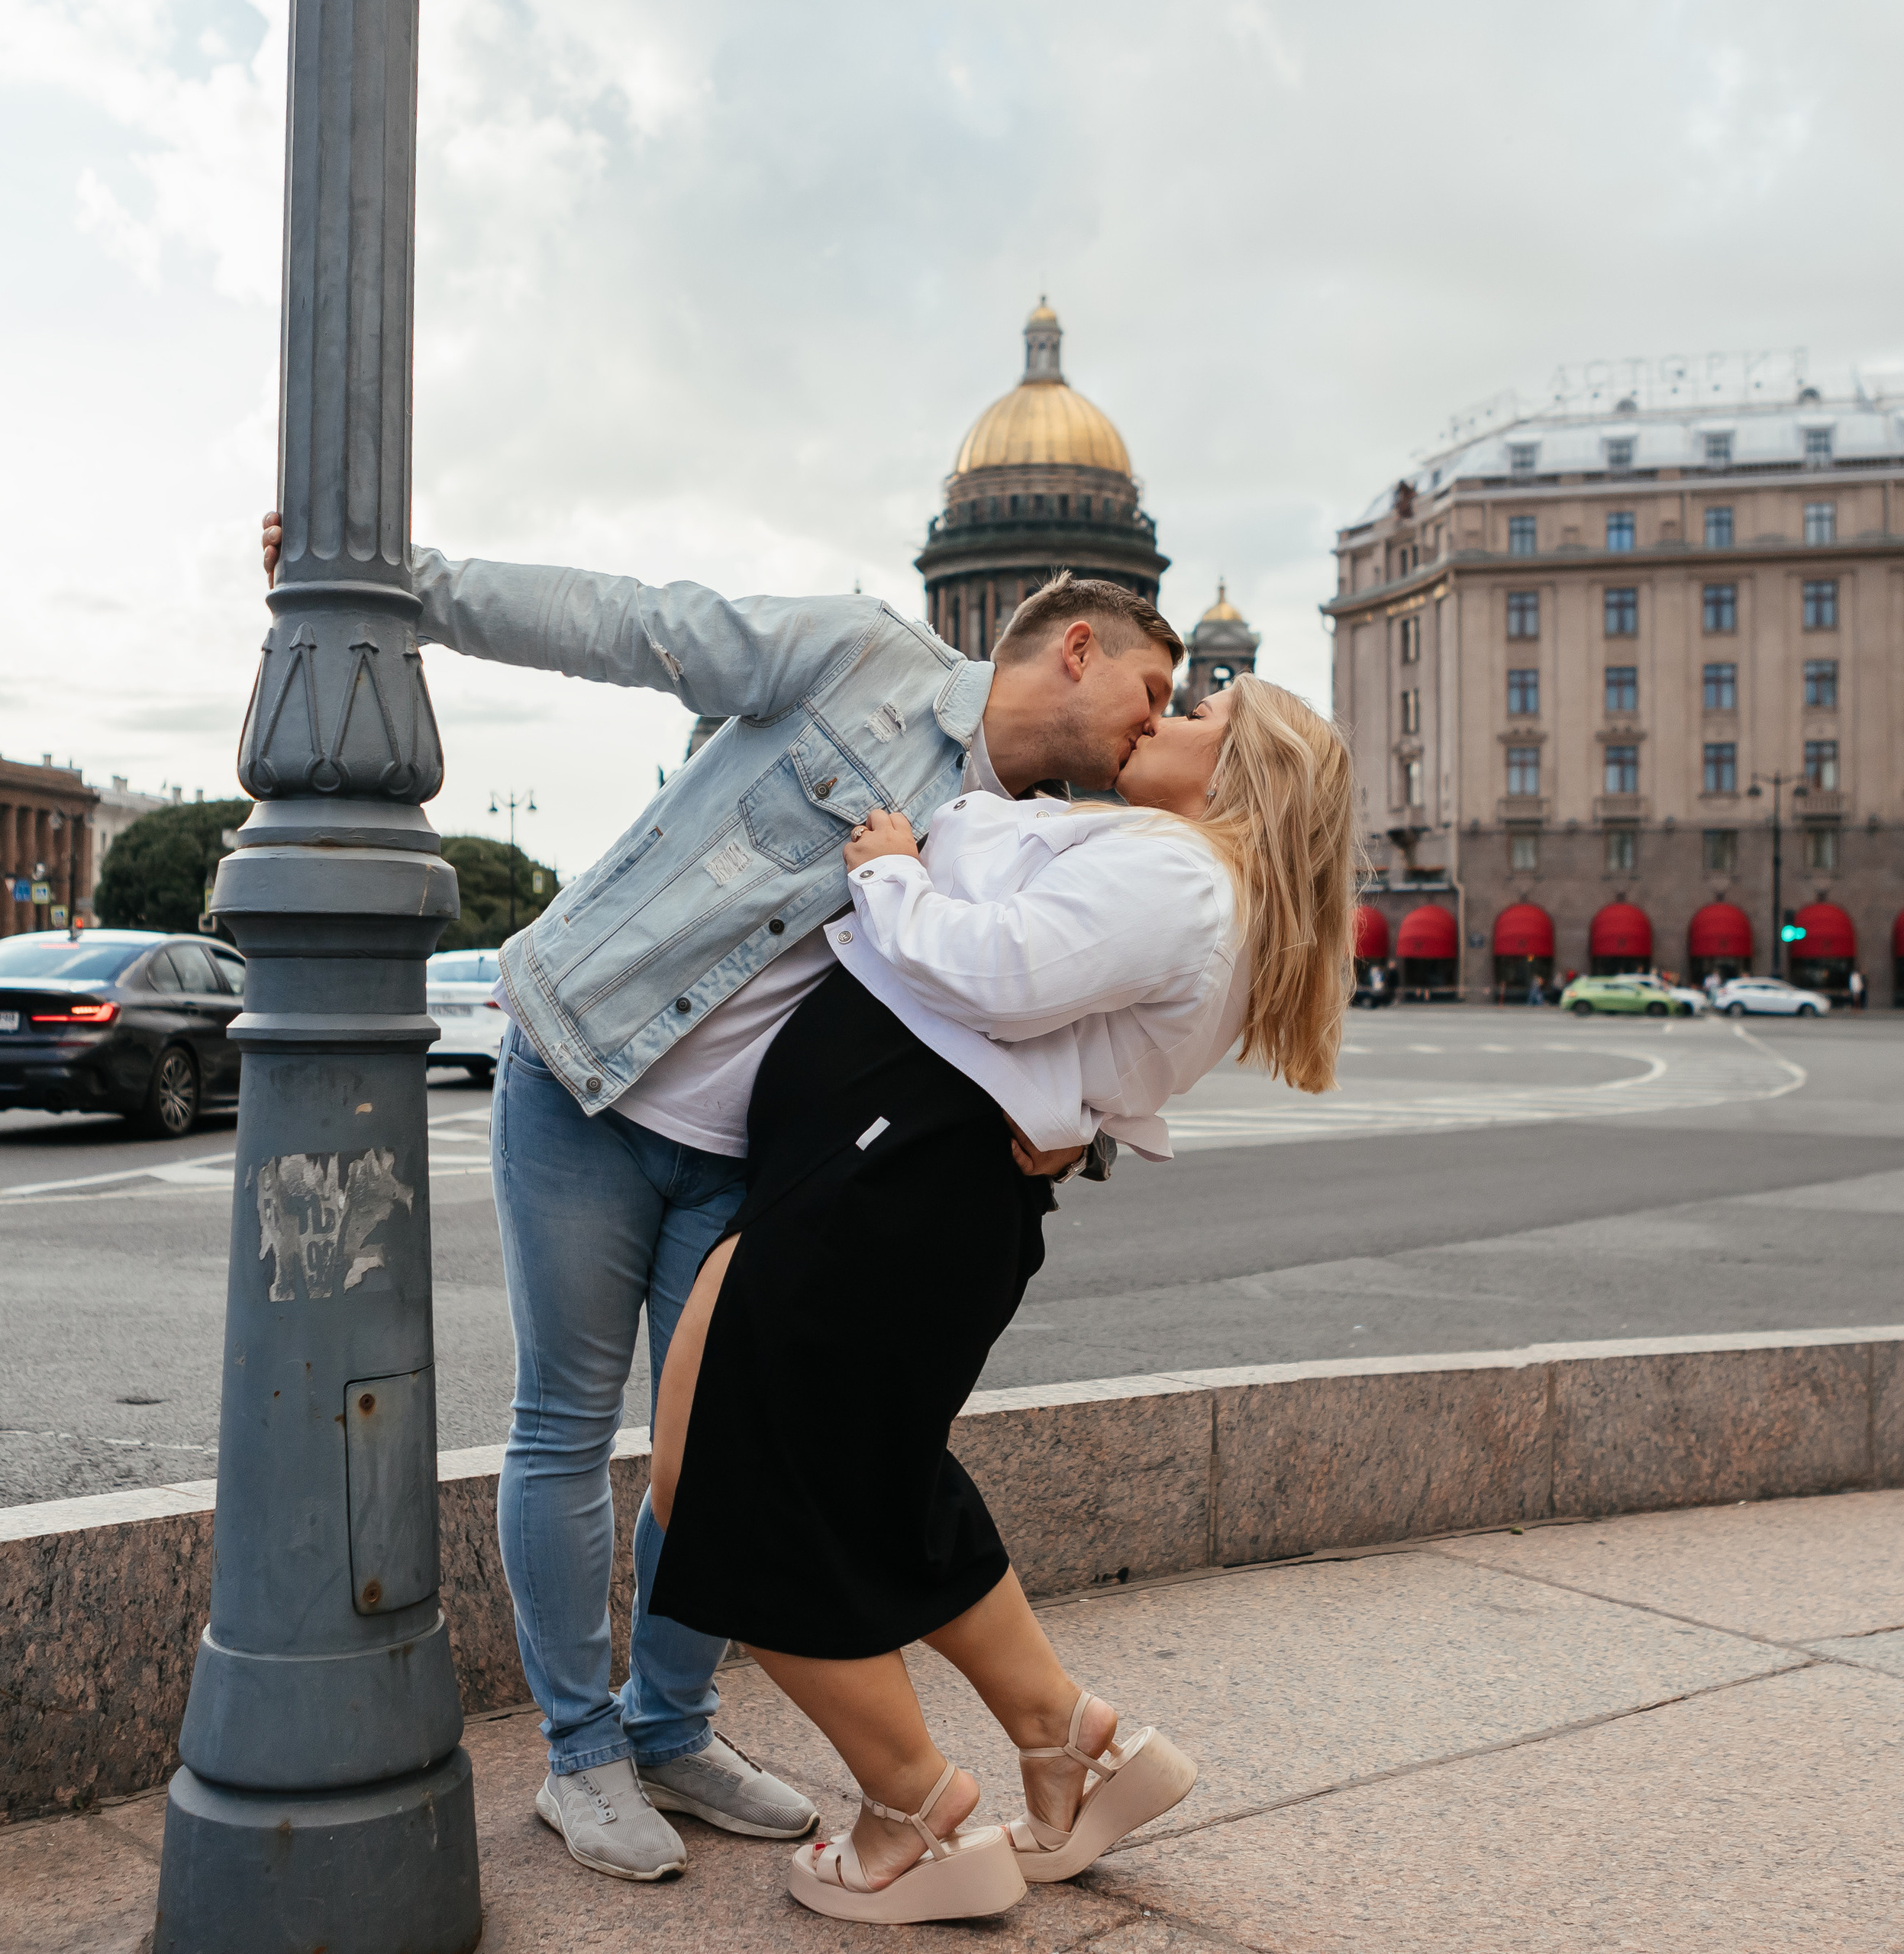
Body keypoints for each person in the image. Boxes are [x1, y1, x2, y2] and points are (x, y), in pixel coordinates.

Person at [260, 515, 1181, 1880]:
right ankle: (581, 1757)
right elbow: (642, 623)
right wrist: (415, 583)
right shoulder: (865, 656)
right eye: (1153, 694)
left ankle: (672, 1724)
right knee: (565, 1427)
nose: (1154, 730)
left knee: (718, 1447)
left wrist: (1080, 1137)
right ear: (1081, 646)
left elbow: (1053, 1002)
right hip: (583, 1073)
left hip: (758, 1157)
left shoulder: (1038, 836)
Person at [647, 675, 1358, 1923]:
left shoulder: (1184, 875)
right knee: (866, 1480)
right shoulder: (1199, 887)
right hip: (892, 1178)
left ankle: (915, 1817)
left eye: (1199, 715)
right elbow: (1089, 1051)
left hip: (890, 1179)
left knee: (725, 1491)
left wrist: (890, 866)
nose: (1164, 718)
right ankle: (1067, 1743)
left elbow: (1006, 973)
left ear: (1244, 770)